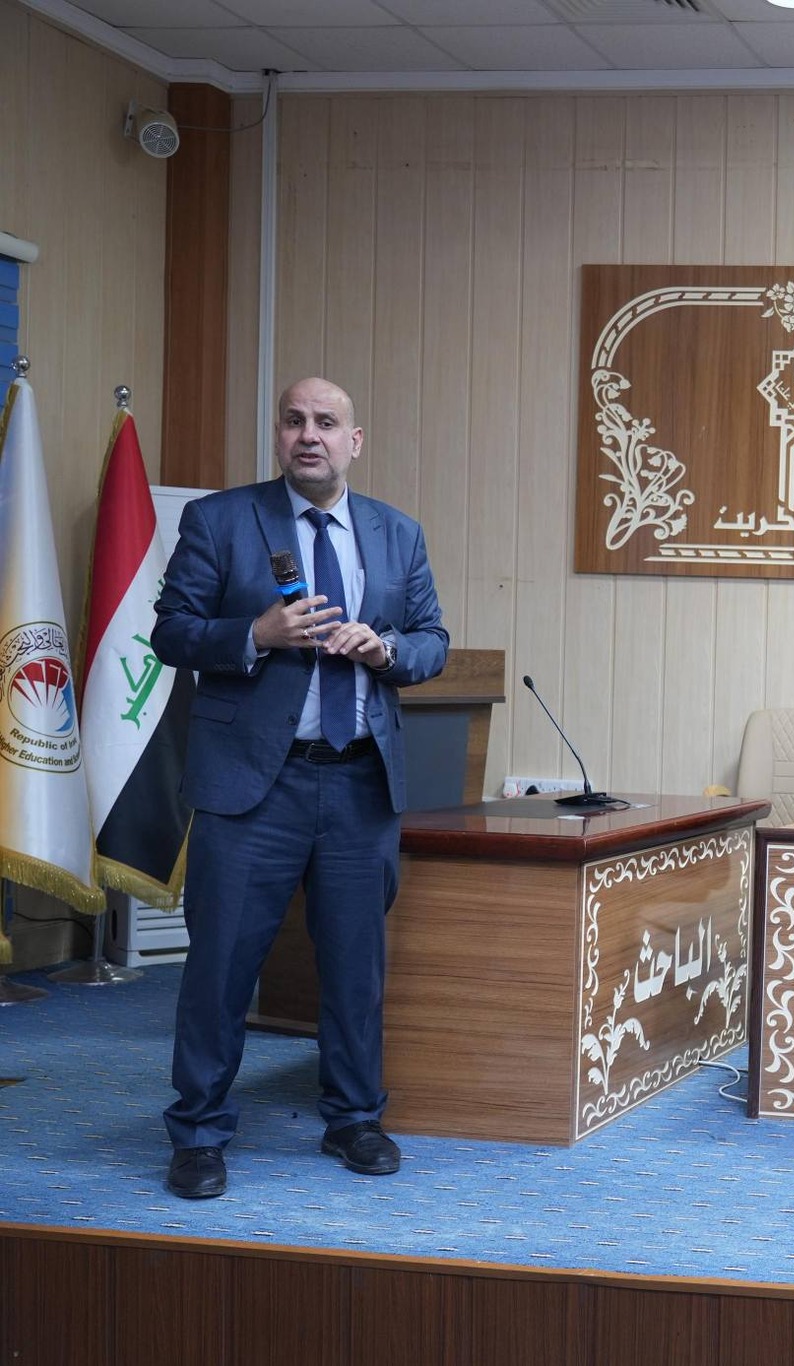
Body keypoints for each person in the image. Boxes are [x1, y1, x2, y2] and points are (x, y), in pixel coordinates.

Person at [153, 377, 448, 1200]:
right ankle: (199, 1133)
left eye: (326, 422)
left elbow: (432, 639)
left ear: (355, 441)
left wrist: (388, 651)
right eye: (293, 421)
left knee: (355, 968)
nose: (308, 435)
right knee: (220, 965)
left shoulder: (397, 533)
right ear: (279, 436)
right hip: (254, 785)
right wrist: (255, 632)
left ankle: (353, 1119)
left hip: (358, 784)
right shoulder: (219, 520)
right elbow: (171, 631)